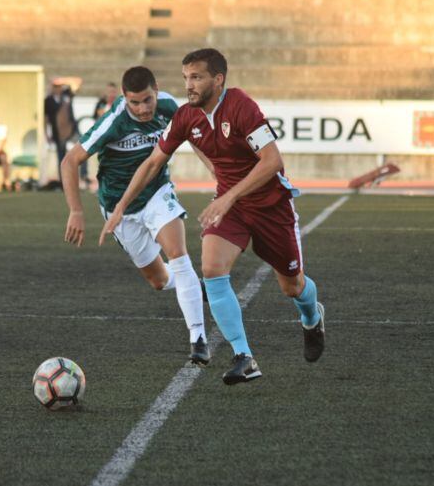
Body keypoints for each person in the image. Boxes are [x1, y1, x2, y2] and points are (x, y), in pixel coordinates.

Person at [100, 48, 325, 385]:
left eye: (197, 77)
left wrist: (230, 195)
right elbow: (152, 163)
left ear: (218, 80)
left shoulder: (242, 106)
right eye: (186, 77)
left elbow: (272, 160)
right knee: (211, 269)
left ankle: (312, 317)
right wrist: (120, 207)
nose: (189, 85)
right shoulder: (185, 117)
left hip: (270, 207)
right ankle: (243, 356)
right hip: (230, 207)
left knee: (292, 287)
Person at [63, 66, 209, 365]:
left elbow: (194, 137)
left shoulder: (169, 106)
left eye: (147, 100)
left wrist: (218, 172)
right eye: (134, 102)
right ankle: (194, 286)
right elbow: (70, 160)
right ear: (124, 98)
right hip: (120, 208)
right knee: (158, 280)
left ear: (157, 90)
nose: (142, 109)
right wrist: (76, 211)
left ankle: (198, 338)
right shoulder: (114, 122)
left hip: (157, 193)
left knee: (179, 256)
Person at [44, 76, 82, 186]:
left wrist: (63, 80)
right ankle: (63, 182)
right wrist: (47, 133)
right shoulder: (48, 101)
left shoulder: (67, 94)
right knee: (61, 158)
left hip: (72, 129)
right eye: (55, 86)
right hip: (58, 133)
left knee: (85, 148)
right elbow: (46, 119)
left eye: (59, 86)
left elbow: (78, 82)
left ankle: (84, 176)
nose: (58, 88)